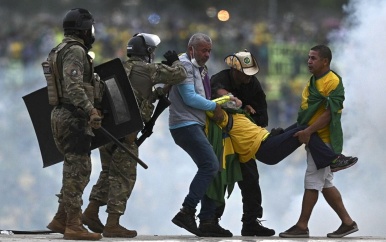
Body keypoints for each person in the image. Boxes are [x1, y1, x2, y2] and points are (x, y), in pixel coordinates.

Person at [81, 33, 187, 238]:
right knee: (124, 178)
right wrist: (175, 62)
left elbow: (134, 97)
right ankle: (113, 223)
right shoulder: (148, 69)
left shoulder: (118, 68)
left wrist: (156, 94)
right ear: (147, 52)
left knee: (107, 173)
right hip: (126, 136)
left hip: (107, 133)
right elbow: (180, 75)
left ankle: (91, 212)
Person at [279, 45, 358, 238]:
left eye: (313, 58)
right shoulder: (314, 80)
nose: (309, 61)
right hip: (313, 137)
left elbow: (329, 114)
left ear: (325, 61)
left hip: (325, 140)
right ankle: (348, 223)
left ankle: (302, 226)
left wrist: (308, 131)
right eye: (309, 57)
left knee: (312, 181)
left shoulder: (332, 81)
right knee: (326, 184)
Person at [45, 8, 104, 240]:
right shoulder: (75, 51)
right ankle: (73, 225)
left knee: (73, 170)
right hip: (73, 117)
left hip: (61, 114)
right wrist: (91, 110)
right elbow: (73, 87)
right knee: (78, 171)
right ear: (84, 29)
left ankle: (60, 219)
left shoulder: (58, 49)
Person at [168, 33, 232, 237]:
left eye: (209, 51)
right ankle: (187, 211)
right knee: (210, 165)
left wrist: (226, 101)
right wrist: (215, 105)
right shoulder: (185, 66)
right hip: (185, 125)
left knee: (210, 167)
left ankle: (206, 218)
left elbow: (201, 97)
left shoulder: (198, 68)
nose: (207, 54)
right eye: (204, 50)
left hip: (193, 124)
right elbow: (190, 98)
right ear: (191, 49)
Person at [210, 50, 274, 236]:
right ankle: (211, 220)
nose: (249, 77)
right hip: (223, 140)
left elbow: (263, 117)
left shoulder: (253, 85)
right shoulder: (219, 80)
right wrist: (238, 104)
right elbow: (214, 100)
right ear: (234, 70)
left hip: (244, 141)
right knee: (219, 179)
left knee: (251, 180)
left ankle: (251, 222)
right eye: (245, 73)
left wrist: (248, 113)